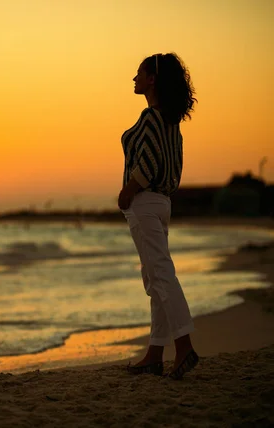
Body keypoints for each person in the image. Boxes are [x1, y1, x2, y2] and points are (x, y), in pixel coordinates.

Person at [118, 53, 199, 379]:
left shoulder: (151, 117)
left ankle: (184, 347)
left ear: (152, 79)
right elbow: (172, 167)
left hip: (146, 202)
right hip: (162, 203)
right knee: (155, 276)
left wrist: (129, 189)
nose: (134, 78)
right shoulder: (171, 122)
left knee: (161, 275)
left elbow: (149, 163)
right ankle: (155, 351)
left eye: (139, 73)